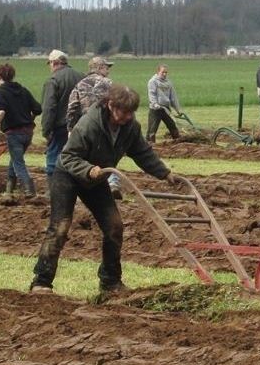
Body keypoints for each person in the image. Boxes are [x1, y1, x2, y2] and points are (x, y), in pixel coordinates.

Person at [30, 83, 182, 296]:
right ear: (111, 105)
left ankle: (110, 282)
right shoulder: (89, 124)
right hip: (68, 176)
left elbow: (142, 153)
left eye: (131, 113)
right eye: (124, 112)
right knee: (61, 226)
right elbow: (67, 156)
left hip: (97, 178)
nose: (128, 117)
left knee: (114, 227)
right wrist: (88, 168)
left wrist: (165, 174)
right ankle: (41, 281)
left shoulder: (130, 127)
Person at [66, 55, 122, 197]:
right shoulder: (109, 83)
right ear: (99, 68)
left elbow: (72, 108)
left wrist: (71, 129)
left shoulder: (79, 85)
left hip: (85, 127)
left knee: (85, 156)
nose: (108, 70)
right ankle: (113, 182)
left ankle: (86, 186)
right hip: (107, 126)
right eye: (106, 67)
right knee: (109, 154)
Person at [0, 62, 42, 201]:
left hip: (14, 134)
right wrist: (29, 119)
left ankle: (30, 191)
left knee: (18, 163)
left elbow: (1, 111)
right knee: (14, 159)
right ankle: (9, 190)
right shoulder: (23, 90)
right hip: (28, 133)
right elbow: (38, 109)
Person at [39, 50, 82, 179]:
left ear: (55, 63)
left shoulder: (53, 81)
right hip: (80, 125)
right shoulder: (82, 76)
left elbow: (48, 108)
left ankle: (54, 192)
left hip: (60, 127)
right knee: (76, 158)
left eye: (50, 63)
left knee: (53, 160)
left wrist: (46, 131)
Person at [147, 63, 182, 142]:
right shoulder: (153, 81)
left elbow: (173, 97)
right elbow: (152, 94)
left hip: (165, 108)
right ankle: (150, 145)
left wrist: (178, 110)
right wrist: (155, 104)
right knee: (152, 129)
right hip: (155, 109)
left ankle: (178, 142)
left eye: (166, 72)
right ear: (158, 72)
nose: (165, 74)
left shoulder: (168, 82)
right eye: (163, 72)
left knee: (172, 125)